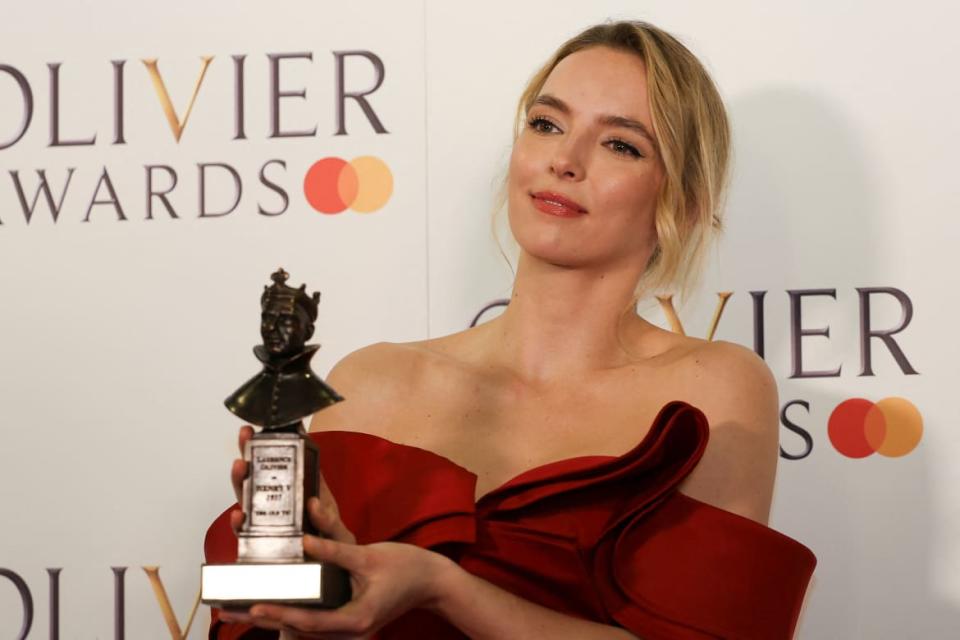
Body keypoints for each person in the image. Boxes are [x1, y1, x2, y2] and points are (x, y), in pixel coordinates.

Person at [205, 20, 816, 640]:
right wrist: (313, 601)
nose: (564, 160)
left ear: (679, 204)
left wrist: (445, 588)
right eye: (547, 124)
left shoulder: (712, 391)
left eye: (620, 145)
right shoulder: (370, 384)